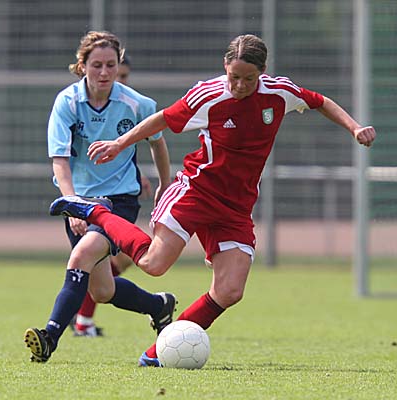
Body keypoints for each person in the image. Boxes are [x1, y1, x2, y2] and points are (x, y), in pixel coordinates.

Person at [49, 34, 377, 367]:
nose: (240, 85)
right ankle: (97, 213)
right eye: (234, 77)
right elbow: (163, 118)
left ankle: (156, 353)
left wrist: (354, 127)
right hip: (196, 191)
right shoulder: (209, 94)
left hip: (236, 207)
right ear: (225, 67)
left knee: (230, 290)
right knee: (153, 264)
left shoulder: (279, 93)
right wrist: (120, 143)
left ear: (263, 72)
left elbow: (320, 101)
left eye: (249, 79)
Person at [24, 31, 175, 363]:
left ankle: (49, 337)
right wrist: (73, 204)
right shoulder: (67, 103)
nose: (104, 72)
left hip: (119, 201)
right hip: (79, 202)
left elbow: (157, 142)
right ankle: (158, 305)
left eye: (111, 64)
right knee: (102, 290)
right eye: (96, 65)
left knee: (80, 258)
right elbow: (60, 161)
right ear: (82, 66)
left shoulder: (137, 104)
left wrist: (165, 184)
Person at [69, 52, 154, 337]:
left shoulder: (129, 104)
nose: (116, 79)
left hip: (120, 196)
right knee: (97, 265)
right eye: (99, 67)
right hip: (91, 198)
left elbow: (125, 151)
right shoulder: (80, 105)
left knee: (105, 269)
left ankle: (80, 315)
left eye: (122, 75)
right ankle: (81, 318)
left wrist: (137, 175)